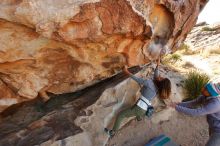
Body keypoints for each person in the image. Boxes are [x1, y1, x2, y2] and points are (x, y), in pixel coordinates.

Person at [104, 58, 171, 137]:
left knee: (121, 115)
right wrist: (158, 64)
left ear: (160, 81)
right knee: (136, 110)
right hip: (144, 107)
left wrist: (126, 71)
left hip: (140, 108)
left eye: (162, 78)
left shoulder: (150, 83)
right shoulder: (158, 88)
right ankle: (139, 117)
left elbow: (137, 79)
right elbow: (156, 75)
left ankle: (112, 133)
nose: (161, 76)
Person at [170, 79, 220, 146]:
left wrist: (176, 107)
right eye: (205, 87)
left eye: (205, 89)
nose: (202, 88)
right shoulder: (204, 97)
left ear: (210, 93)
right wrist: (179, 104)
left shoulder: (215, 104)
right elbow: (191, 103)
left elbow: (195, 112)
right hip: (213, 126)